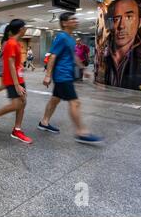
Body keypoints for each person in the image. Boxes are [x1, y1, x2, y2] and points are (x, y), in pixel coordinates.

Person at [38, 12, 103, 145]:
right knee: (75, 102)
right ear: (64, 23)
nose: (76, 21)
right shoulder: (61, 37)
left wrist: (83, 69)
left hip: (66, 74)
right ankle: (81, 132)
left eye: (75, 19)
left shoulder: (71, 38)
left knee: (55, 99)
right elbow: (53, 56)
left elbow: (73, 56)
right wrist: (47, 75)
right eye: (72, 19)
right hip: (62, 76)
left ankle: (44, 122)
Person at [0, 19, 33, 144]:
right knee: (16, 104)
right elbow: (11, 64)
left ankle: (17, 129)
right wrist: (17, 84)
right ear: (21, 29)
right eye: (25, 27)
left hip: (18, 78)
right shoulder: (11, 43)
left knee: (23, 102)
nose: (26, 29)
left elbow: (16, 64)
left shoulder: (16, 43)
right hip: (12, 80)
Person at [104, 0, 141, 92]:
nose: (121, 26)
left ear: (140, 20)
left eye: (129, 17)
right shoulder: (106, 52)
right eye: (116, 19)